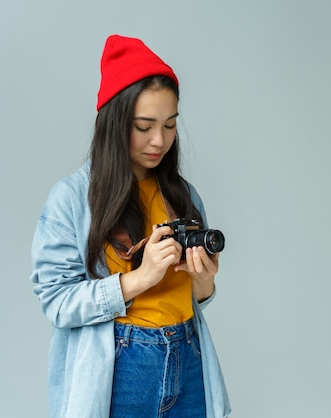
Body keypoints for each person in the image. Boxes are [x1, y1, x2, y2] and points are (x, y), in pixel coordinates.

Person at [30, 34, 230, 418]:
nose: (160, 140)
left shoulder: (183, 196)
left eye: (170, 125)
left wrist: (204, 281)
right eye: (144, 126)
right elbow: (57, 302)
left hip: (188, 357)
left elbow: (194, 296)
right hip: (122, 369)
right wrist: (140, 278)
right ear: (114, 121)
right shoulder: (71, 200)